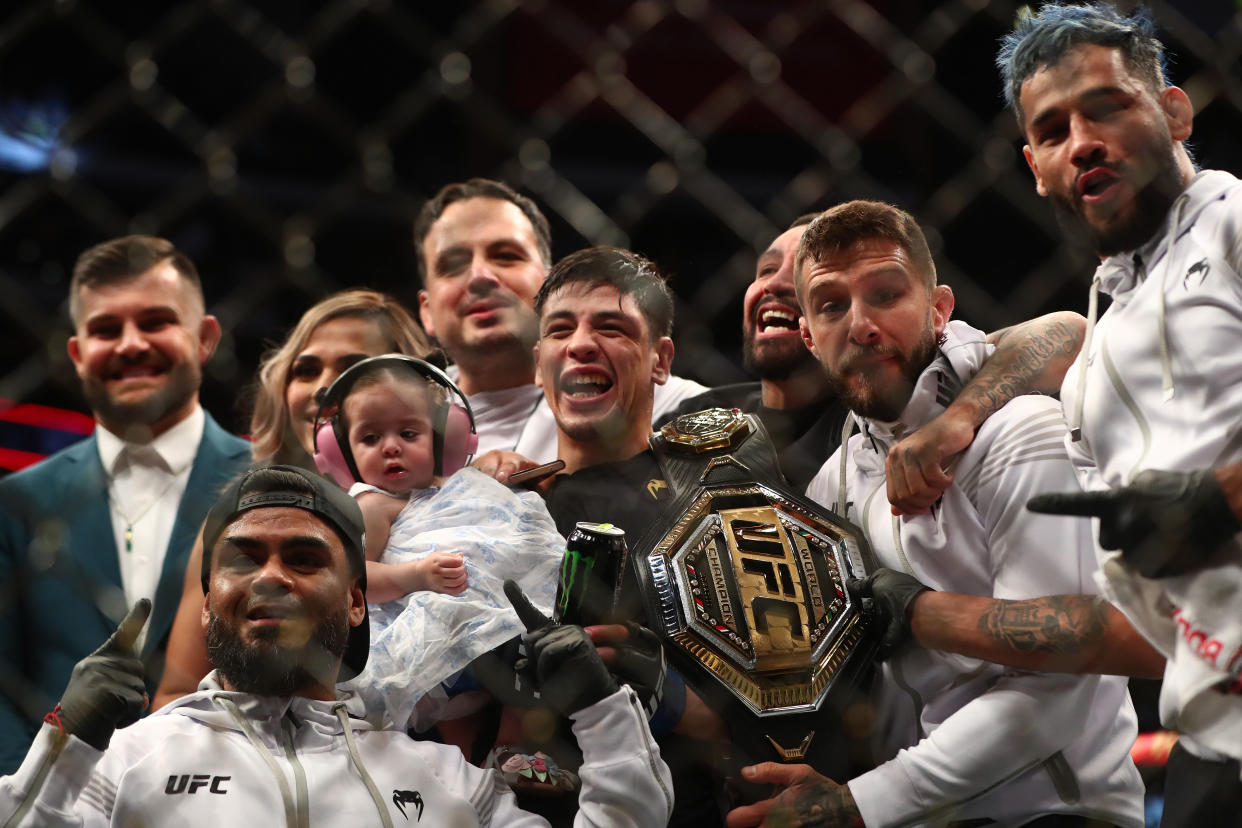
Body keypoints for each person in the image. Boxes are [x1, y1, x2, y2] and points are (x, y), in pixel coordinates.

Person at [846, 6, 1242, 824]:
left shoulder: (1232, 225)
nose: (1083, 142)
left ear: (1173, 111)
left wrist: (1220, 499)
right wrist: (922, 609)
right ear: (1034, 166)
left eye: (1107, 108)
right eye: (1053, 129)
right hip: (1211, 721)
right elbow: (1121, 632)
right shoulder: (1109, 329)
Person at [729, 200, 1144, 828]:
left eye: (886, 294)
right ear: (809, 335)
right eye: (833, 305)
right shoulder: (829, 484)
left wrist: (865, 803)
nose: (863, 325)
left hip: (1052, 815)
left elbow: (1059, 689)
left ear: (939, 308)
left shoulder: (1020, 431)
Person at [0, 464, 674, 826]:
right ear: (207, 602)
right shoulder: (124, 762)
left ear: (358, 600)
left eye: (303, 557)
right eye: (243, 558)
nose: (270, 576)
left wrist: (603, 710)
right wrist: (63, 743)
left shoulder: (446, 785)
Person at [0, 235, 251, 774]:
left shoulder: (271, 486)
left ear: (205, 338)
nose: (130, 344)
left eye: (155, 321)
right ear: (76, 354)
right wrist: (38, 794)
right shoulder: (15, 504)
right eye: (106, 329)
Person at [151, 289, 436, 710]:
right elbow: (175, 692)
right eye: (305, 370)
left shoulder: (452, 505)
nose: (323, 386)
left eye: (353, 368)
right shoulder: (235, 522)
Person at [666, 215, 1088, 492]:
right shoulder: (701, 410)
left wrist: (957, 417)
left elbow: (1063, 330)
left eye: (880, 294)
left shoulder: (871, 397)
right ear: (808, 333)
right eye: (765, 270)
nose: (775, 285)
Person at [310, 354, 563, 734]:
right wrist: (415, 575)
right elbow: (355, 580)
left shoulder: (456, 490)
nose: (390, 447)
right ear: (344, 455)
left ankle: (516, 753)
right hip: (424, 640)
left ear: (442, 440)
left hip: (483, 620)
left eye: (408, 434)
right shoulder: (372, 503)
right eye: (370, 438)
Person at [414, 178, 707, 464]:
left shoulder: (659, 400)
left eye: (505, 256)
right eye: (453, 266)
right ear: (426, 311)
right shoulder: (388, 417)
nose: (479, 276)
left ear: (550, 285)